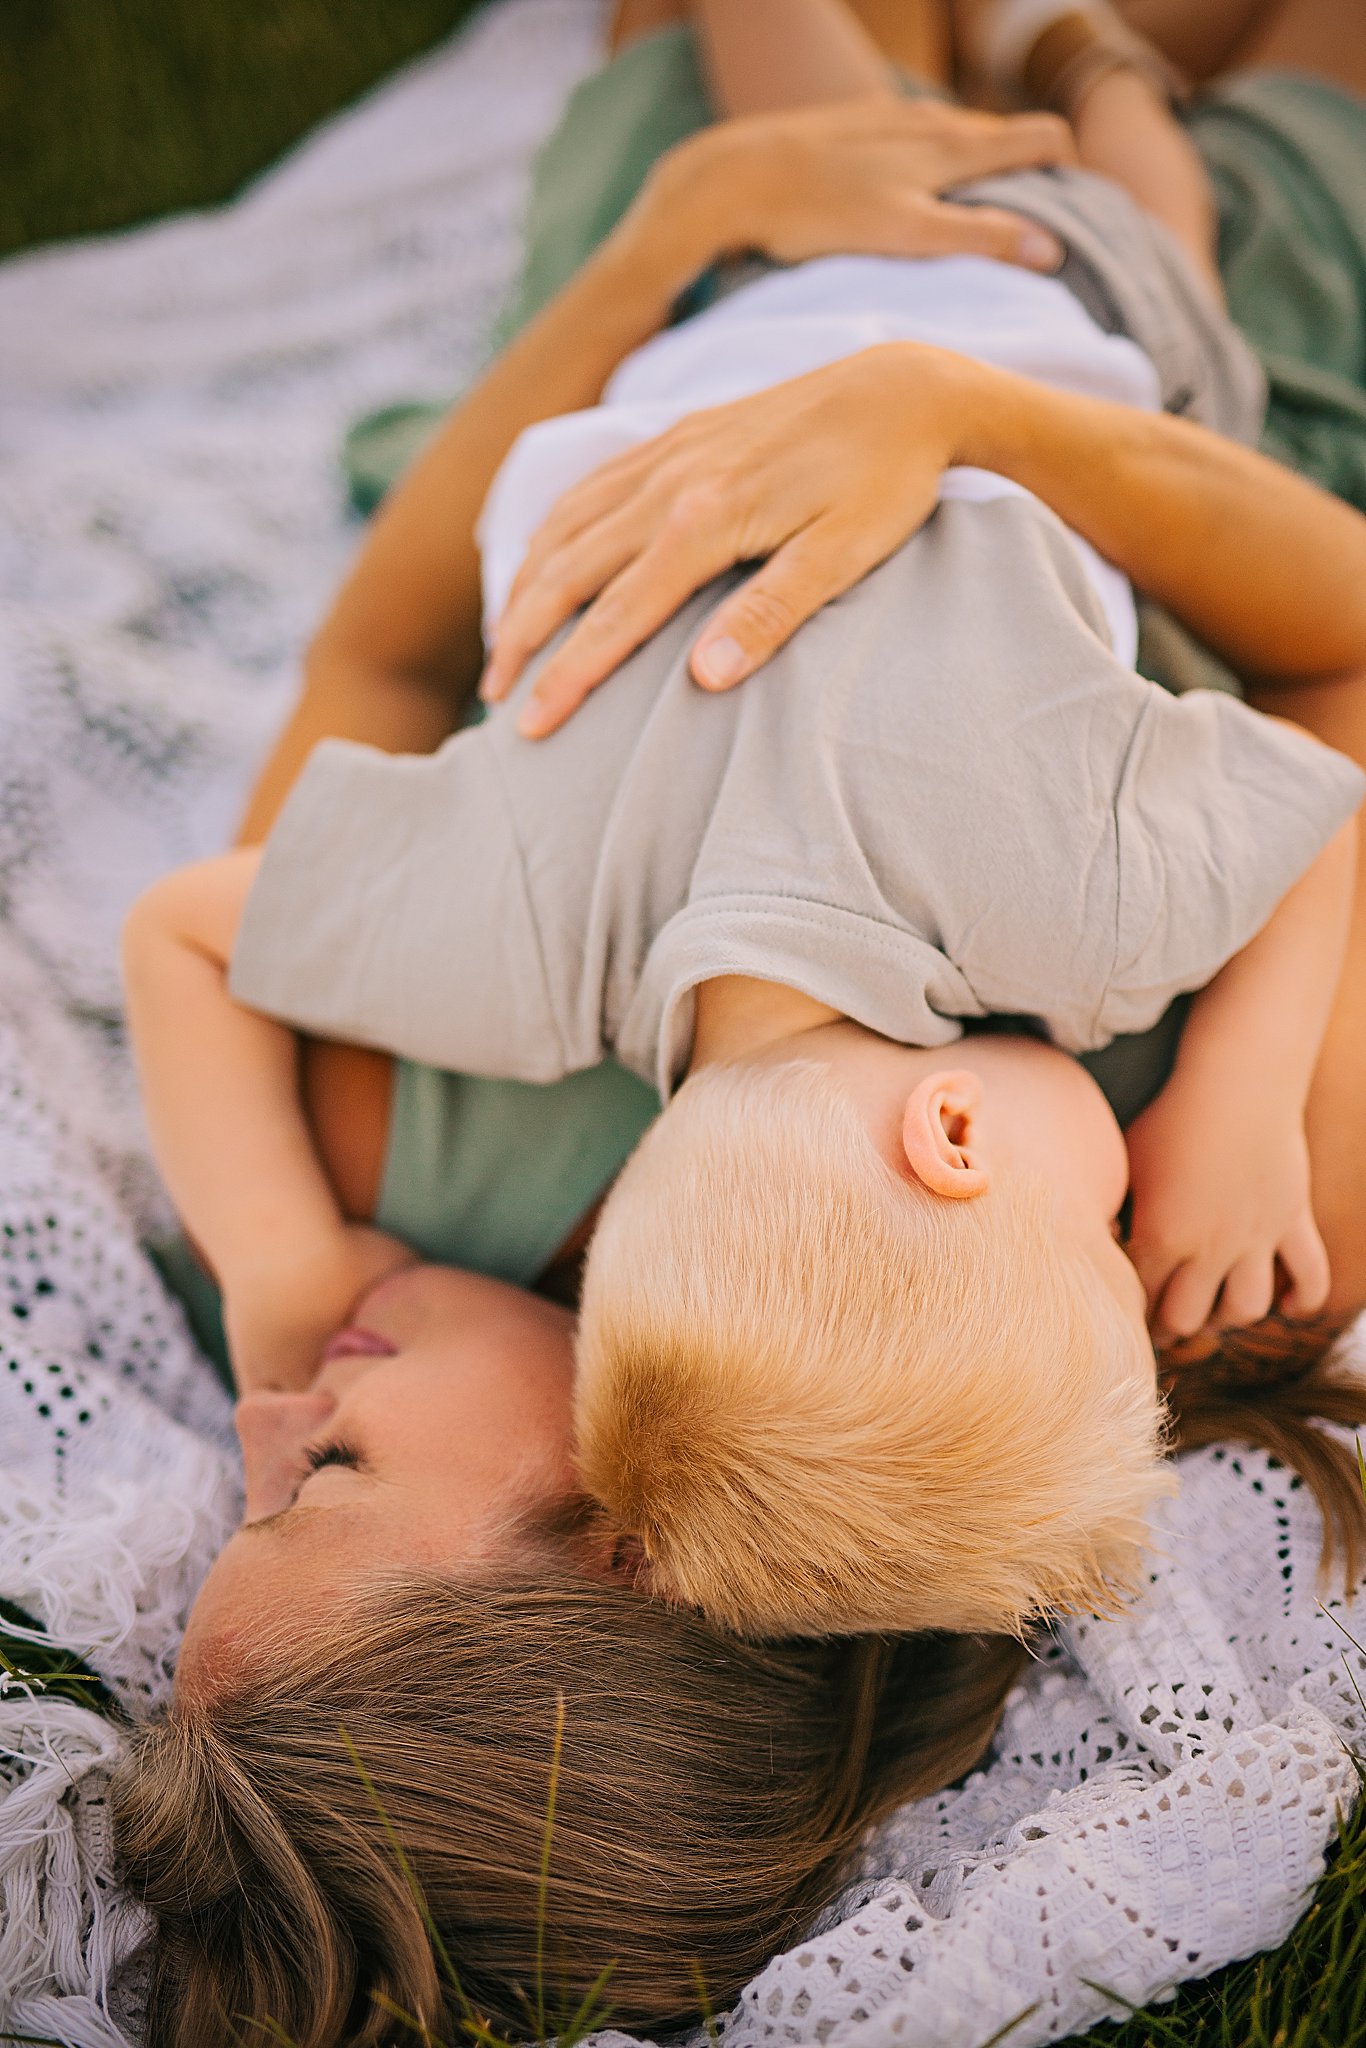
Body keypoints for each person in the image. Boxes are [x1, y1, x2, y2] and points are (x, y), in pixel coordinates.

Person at [110, 2, 1366, 2040]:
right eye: (314, 1475)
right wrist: (964, 416)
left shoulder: (360, 1142)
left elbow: (377, 640)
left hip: (691, 302)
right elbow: (1341, 683)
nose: (253, 1408)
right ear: (624, 1552)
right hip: (1197, 431)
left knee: (716, 40)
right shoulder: (1191, 1244)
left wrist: (670, 234)